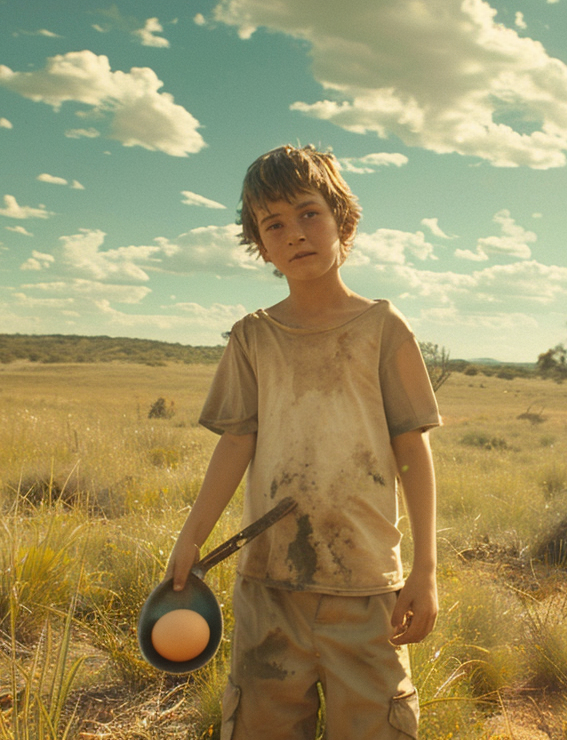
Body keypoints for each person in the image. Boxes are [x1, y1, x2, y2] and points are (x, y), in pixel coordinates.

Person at [164, 144, 441, 739]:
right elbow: (236, 443)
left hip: (366, 590)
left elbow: (412, 450)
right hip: (269, 587)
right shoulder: (253, 338)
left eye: (309, 213)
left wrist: (425, 569)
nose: (295, 233)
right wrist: (191, 540)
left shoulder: (383, 330)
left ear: (342, 217)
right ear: (260, 245)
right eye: (275, 224)